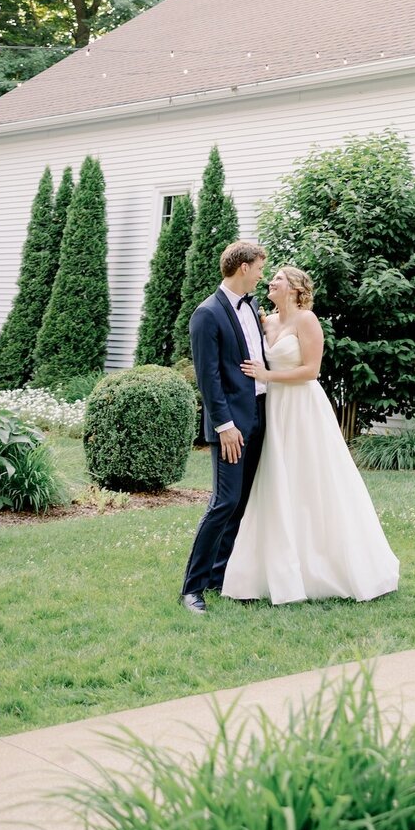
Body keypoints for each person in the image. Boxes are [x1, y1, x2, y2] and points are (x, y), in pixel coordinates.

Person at [220, 264, 400, 605]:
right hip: (275, 410)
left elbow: (311, 370)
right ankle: (270, 567)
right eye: (270, 277)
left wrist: (267, 377)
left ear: (295, 288)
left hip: (303, 407)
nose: (270, 282)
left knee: (313, 479)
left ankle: (326, 564)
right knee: (277, 480)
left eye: (278, 279)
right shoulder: (266, 321)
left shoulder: (306, 320)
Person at [180, 239, 268, 614]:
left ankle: (220, 576)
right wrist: (224, 425)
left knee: (243, 502)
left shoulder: (253, 308)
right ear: (243, 267)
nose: (262, 275)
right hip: (231, 425)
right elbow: (209, 377)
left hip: (261, 417)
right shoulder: (207, 313)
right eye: (260, 268)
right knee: (224, 502)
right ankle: (192, 588)